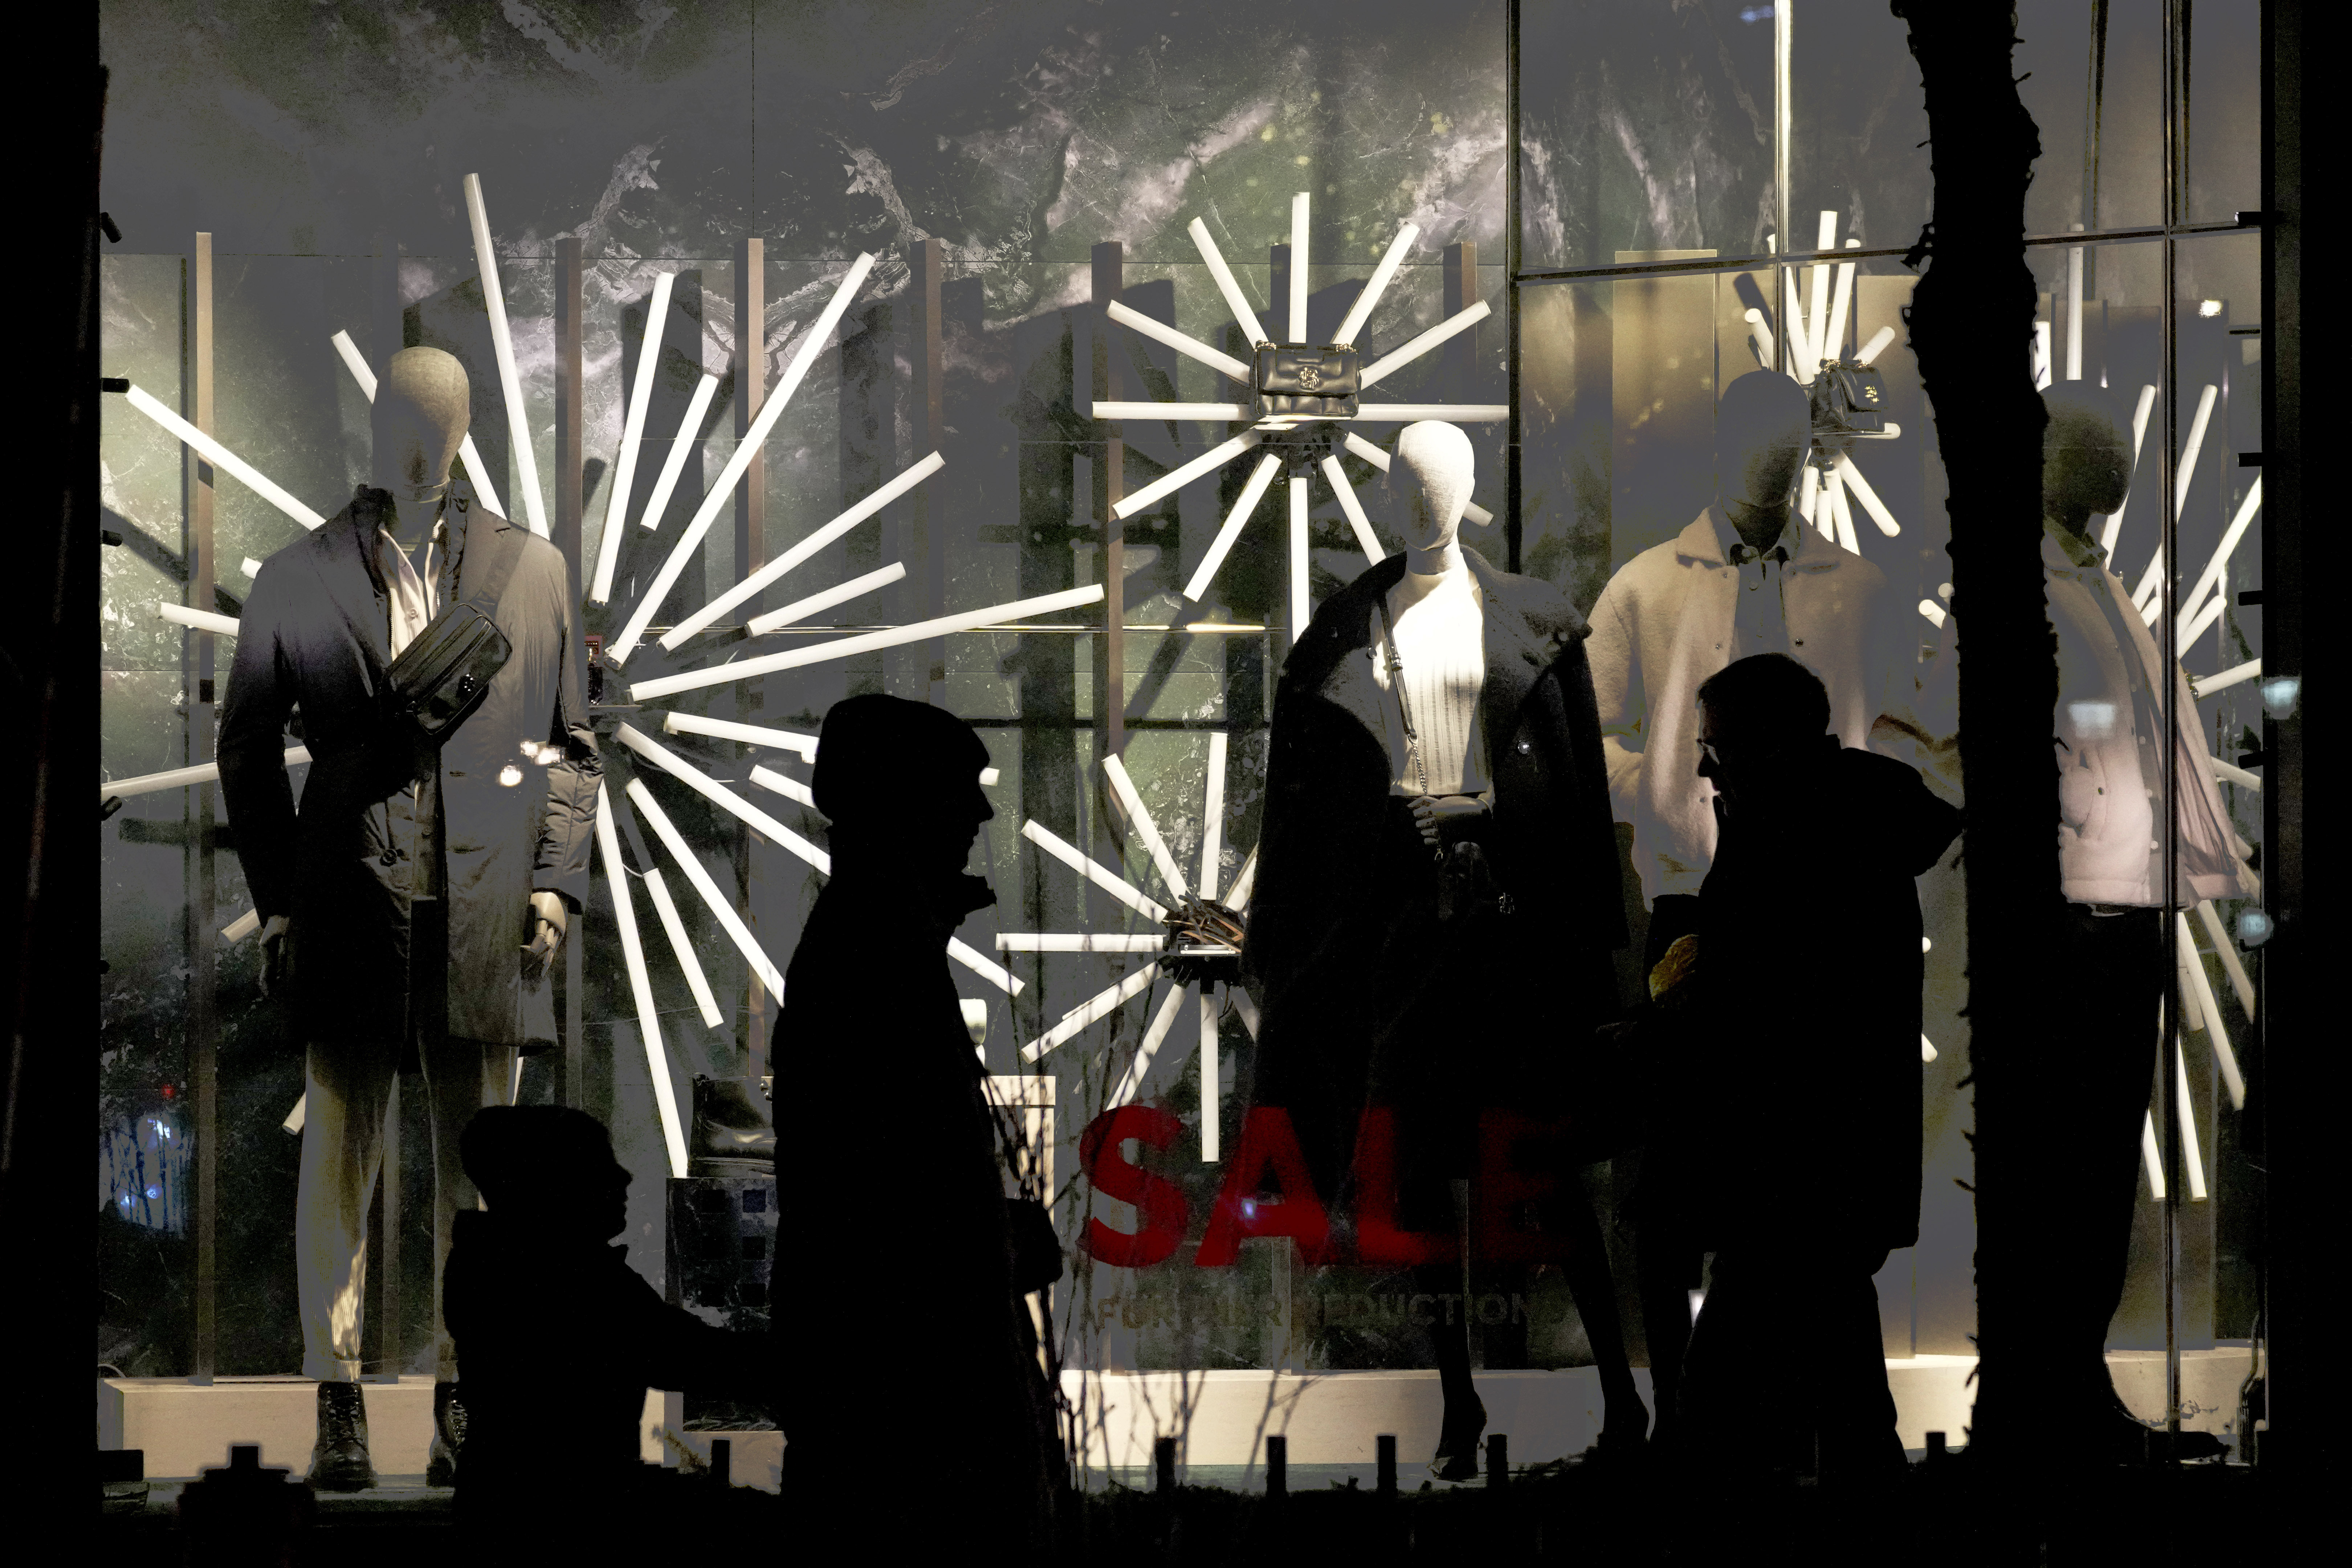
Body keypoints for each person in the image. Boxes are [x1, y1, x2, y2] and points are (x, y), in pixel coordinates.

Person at [217, 347, 598, 1490]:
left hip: (487, 912)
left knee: (484, 1181)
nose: (421, 437)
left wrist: (552, 879)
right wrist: (279, 899)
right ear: (374, 424)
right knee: (339, 1164)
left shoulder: (532, 575)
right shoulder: (296, 575)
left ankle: (465, 1397)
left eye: (438, 416)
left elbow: (573, 747)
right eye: (402, 415)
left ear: (471, 425)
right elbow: (245, 750)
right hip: (346, 901)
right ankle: (335, 1401)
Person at [1243, 421, 1637, 1478]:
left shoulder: (1534, 623)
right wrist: (1298, 935)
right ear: (1386, 495)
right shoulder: (1337, 640)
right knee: (1410, 1182)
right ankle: (1456, 1403)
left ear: (1461, 494)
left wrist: (1492, 838)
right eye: (1404, 483)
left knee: (1547, 1177)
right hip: (1403, 945)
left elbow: (1570, 803)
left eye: (1436, 482)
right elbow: (1304, 821)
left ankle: (1622, 1401)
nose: (1419, 499)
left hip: (1510, 941)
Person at [1891, 387, 2254, 1462]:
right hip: (2066, 916)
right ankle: (2045, 1396)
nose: (2112, 472)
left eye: (2115, 454)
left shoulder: (2091, 589)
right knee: (2058, 1168)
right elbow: (1931, 746)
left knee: (2092, 1170)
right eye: (2092, 453)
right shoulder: (2010, 593)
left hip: (2119, 908)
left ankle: (2068, 1390)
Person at [1586, 369, 1917, 1442]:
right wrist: (1661, 792)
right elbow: (1592, 731)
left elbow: (1910, 724)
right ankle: (1722, 1425)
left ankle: (1720, 1434)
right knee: (1698, 1192)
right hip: (1692, 895)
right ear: (1724, 444)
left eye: (1787, 440)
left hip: (1798, 905)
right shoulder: (1644, 584)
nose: (1768, 459)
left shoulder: (1859, 589)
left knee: (1762, 1200)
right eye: (1751, 437)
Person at [768, 695, 1064, 1548]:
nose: (981, 812)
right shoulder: (874, 955)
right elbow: (887, 1186)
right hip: (910, 1378)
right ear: (902, 800)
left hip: (889, 1368)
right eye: (959, 789)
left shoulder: (870, 941)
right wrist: (980, 1249)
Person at [1663, 653, 1959, 1483]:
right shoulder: (1851, 818)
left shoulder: (1785, 832)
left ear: (1766, 749)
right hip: (1837, 1151)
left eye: (1715, 746)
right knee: (1831, 1354)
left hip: (1786, 1153)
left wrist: (1676, 1020)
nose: (1701, 765)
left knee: (1730, 1386)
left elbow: (1768, 994)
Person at [442, 1106, 769, 1549]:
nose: (624, 1178)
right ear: (550, 1186)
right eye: (597, 1165)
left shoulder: (499, 1268)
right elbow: (689, 1355)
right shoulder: (575, 1282)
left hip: (514, 1512)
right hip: (574, 1517)